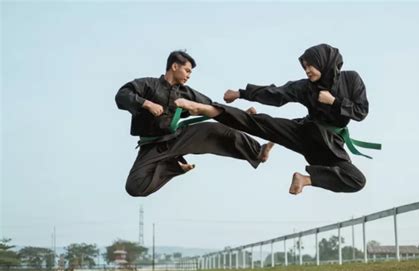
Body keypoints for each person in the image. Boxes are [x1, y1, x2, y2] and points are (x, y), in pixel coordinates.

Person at [175, 44, 369, 195]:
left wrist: (334, 101)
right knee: (261, 124)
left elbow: (361, 111)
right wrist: (241, 93)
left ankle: (304, 179)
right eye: (305, 67)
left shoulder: (351, 79)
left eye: (310, 65)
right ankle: (206, 109)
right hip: (306, 131)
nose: (307, 70)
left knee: (356, 180)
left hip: (330, 144)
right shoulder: (306, 87)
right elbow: (277, 94)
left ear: (324, 62)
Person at [115, 50, 272, 197]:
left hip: (178, 137)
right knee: (134, 187)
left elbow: (212, 107)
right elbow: (122, 95)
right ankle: (173, 166)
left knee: (215, 130)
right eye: (187, 70)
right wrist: (147, 104)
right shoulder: (148, 85)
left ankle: (258, 151)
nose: (189, 75)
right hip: (152, 145)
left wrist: (242, 114)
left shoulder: (186, 93)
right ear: (174, 66)